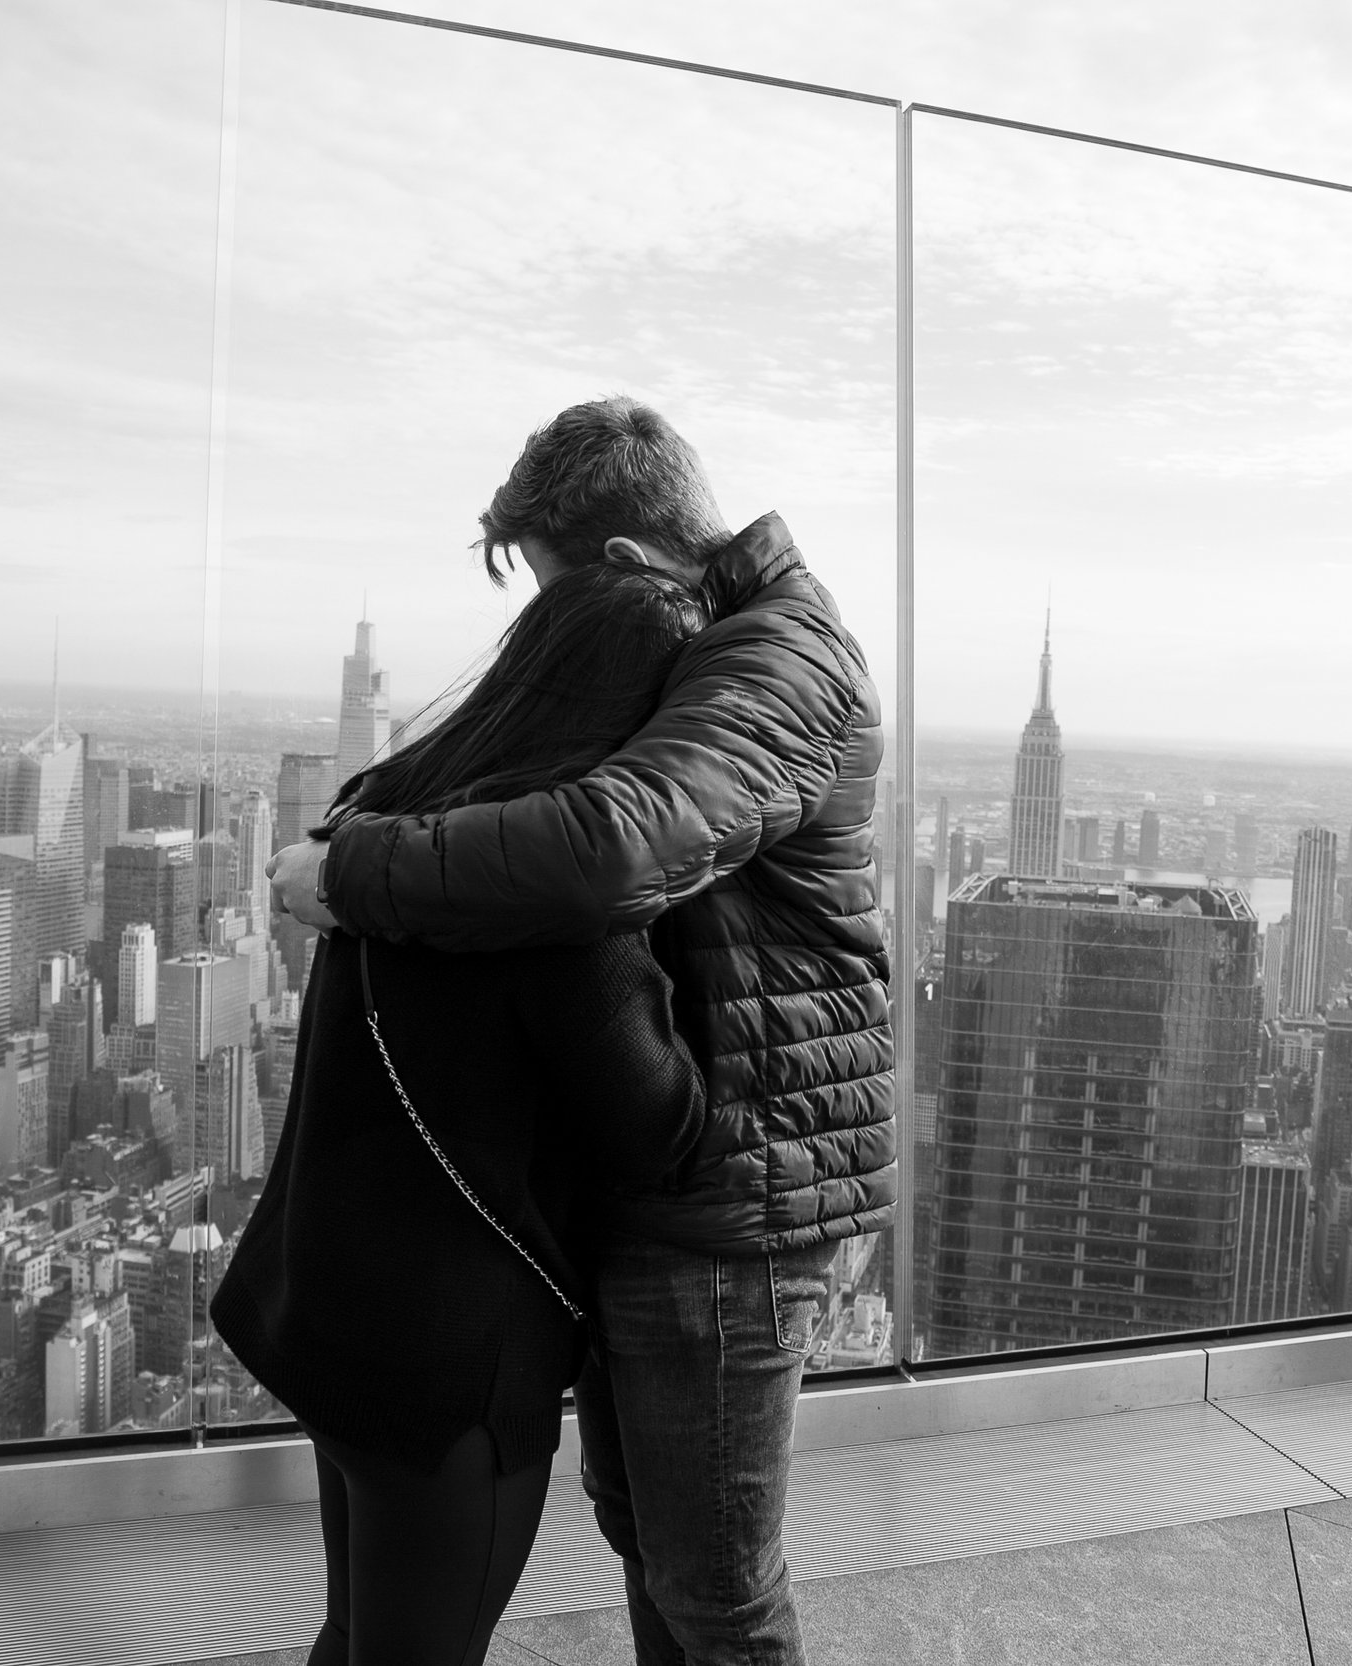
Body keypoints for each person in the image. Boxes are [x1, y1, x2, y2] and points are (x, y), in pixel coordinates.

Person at [271, 397, 893, 1664]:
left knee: (716, 1582)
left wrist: (351, 871)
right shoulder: (712, 640)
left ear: (618, 566)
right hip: (676, 1173)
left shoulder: (780, 657)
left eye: (552, 598)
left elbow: (609, 852)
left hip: (735, 1184)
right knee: (652, 1539)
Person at [214, 560, 712, 1665]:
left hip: (332, 1312)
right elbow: (659, 1125)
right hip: (451, 1364)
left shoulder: (381, 820)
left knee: (353, 1633)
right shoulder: (552, 904)